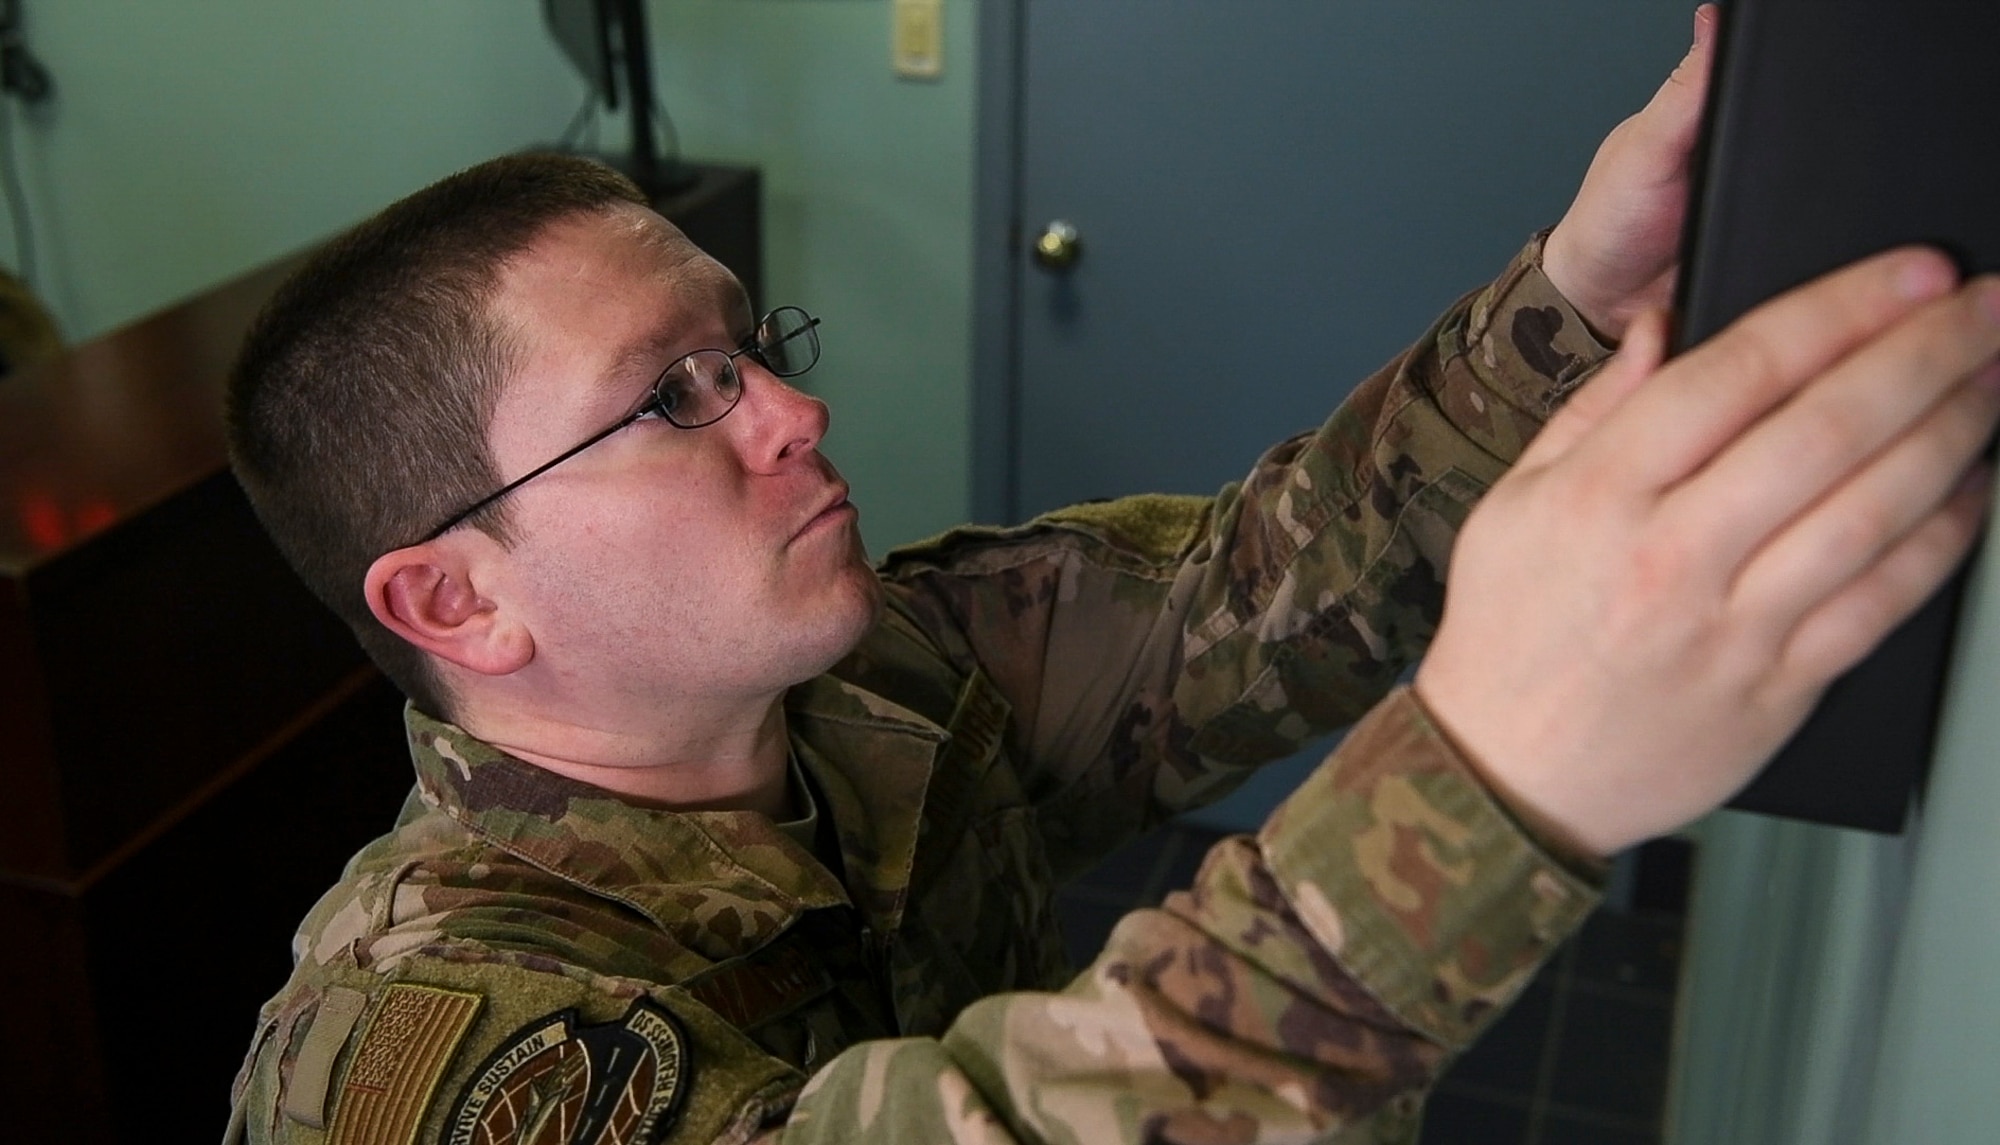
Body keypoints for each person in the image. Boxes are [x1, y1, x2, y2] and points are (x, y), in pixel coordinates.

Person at [221, 10, 2000, 1142]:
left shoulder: (880, 678)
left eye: (749, 347)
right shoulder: (421, 1060)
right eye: (674, 397)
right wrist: (1504, 771)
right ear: (457, 603)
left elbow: (1267, 581)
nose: (791, 407)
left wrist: (1587, 287)